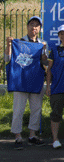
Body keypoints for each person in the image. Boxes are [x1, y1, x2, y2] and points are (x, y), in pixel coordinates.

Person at [4, 16, 48, 150]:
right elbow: (7, 58)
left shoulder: (42, 44)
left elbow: (45, 63)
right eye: (31, 24)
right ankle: (17, 136)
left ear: (40, 29)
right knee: (18, 110)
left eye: (36, 25)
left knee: (36, 108)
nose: (34, 27)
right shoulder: (19, 42)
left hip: (35, 80)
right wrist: (9, 45)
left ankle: (32, 135)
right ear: (27, 27)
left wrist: (44, 52)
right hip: (20, 81)